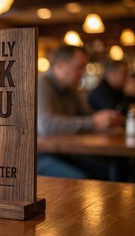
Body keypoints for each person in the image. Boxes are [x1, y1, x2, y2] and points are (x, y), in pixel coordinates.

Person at [38, 45, 124, 179]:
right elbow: (46, 125)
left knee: (108, 171)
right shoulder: (41, 83)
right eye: (79, 67)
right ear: (60, 65)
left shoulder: (71, 88)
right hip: (39, 157)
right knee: (83, 180)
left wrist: (105, 119)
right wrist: (94, 122)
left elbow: (87, 114)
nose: (83, 73)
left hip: (67, 153)